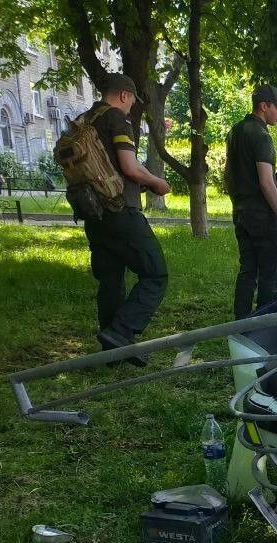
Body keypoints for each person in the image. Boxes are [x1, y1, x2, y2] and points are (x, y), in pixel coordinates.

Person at [80, 73, 171, 361]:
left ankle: (111, 350)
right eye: (132, 100)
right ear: (123, 95)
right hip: (121, 211)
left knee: (111, 279)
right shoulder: (117, 119)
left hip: (93, 213)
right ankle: (121, 331)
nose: (132, 106)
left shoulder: (85, 120)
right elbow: (130, 168)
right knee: (156, 273)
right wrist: (158, 183)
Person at [225, 84, 277, 319]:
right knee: (270, 275)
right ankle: (264, 326)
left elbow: (228, 175)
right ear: (264, 106)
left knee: (247, 271)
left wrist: (238, 202)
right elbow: (267, 182)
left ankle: (240, 324)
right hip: (262, 216)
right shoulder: (262, 136)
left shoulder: (235, 131)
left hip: (241, 212)